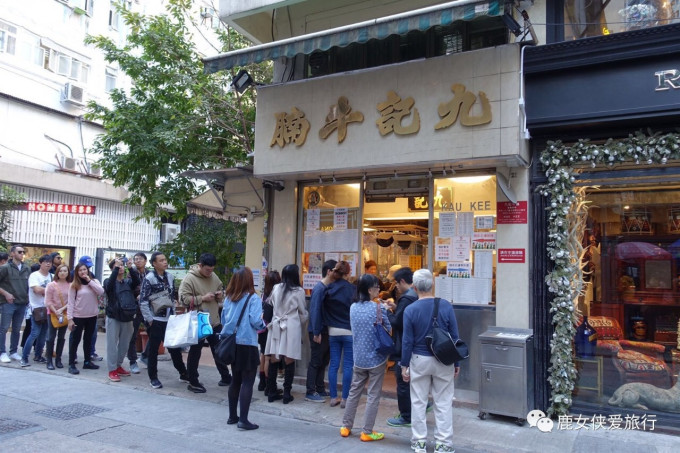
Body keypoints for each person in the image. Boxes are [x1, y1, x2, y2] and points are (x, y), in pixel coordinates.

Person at [401, 269, 461, 453]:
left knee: (418, 401)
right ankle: (443, 444)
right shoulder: (445, 306)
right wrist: (457, 363)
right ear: (432, 284)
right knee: (443, 402)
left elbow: (407, 341)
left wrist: (404, 365)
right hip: (443, 359)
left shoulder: (410, 310)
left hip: (419, 359)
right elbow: (455, 336)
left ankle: (419, 442)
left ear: (414, 287)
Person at [339, 273, 391, 442]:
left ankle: (346, 426)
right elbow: (389, 328)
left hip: (359, 358)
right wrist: (385, 309)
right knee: (373, 395)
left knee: (354, 392)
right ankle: (367, 432)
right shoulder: (378, 308)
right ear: (369, 290)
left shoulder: (353, 307)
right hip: (376, 358)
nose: (378, 289)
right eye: (376, 287)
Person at [178, 253, 232, 393]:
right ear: (200, 266)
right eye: (208, 270)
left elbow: (221, 290)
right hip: (199, 320)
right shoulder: (189, 279)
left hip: (214, 320)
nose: (210, 272)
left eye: (212, 269)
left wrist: (220, 295)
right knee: (195, 352)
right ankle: (193, 381)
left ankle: (225, 377)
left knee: (219, 349)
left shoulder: (214, 276)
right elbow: (183, 300)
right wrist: (202, 298)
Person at [220, 267, 265, 430]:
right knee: (247, 381)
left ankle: (232, 416)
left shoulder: (228, 298)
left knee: (236, 379)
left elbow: (224, 320)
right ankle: (244, 420)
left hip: (232, 343)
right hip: (247, 343)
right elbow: (256, 321)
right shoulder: (253, 298)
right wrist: (264, 325)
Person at [139, 252, 188, 389]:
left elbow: (172, 298)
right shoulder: (149, 278)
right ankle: (153, 378)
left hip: (169, 319)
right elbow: (143, 301)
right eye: (161, 260)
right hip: (155, 319)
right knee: (153, 351)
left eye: (165, 260)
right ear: (154, 264)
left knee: (174, 348)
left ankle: (183, 373)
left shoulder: (170, 277)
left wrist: (174, 314)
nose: (165, 262)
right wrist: (150, 320)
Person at [264, 264, 308, 404]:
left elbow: (270, 303)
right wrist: (301, 323)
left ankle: (271, 391)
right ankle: (287, 394)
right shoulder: (299, 291)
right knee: (289, 359)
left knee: (274, 358)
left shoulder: (276, 288)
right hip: (291, 327)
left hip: (276, 325)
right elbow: (302, 313)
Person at [384, 267, 421, 427]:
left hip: (403, 344)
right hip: (416, 345)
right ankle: (417, 410)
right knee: (413, 382)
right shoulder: (416, 295)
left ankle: (406, 416)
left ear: (403, 281)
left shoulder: (406, 298)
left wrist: (387, 312)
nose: (396, 287)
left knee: (403, 382)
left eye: (397, 283)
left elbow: (397, 322)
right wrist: (395, 308)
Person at [325, 260, 356, 408]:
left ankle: (333, 397)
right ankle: (345, 399)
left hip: (333, 331)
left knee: (334, 364)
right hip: (349, 330)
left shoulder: (329, 288)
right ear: (348, 273)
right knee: (348, 366)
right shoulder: (353, 289)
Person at [104, 257, 141, 382]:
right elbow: (109, 286)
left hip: (127, 317)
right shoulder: (108, 281)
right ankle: (112, 370)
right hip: (113, 317)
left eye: (121, 265)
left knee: (125, 344)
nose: (120, 267)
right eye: (117, 266)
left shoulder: (127, 282)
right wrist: (116, 269)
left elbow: (137, 281)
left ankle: (118, 365)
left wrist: (130, 267)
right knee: (112, 345)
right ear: (112, 269)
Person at [305, 259, 336, 402]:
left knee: (323, 361)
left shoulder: (326, 288)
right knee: (316, 361)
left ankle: (320, 388)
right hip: (318, 331)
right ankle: (310, 391)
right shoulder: (319, 288)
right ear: (329, 271)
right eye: (335, 271)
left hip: (324, 331)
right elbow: (315, 311)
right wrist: (316, 332)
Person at [67, 262, 105, 375]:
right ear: (77, 272)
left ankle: (87, 361)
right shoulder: (74, 285)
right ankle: (71, 364)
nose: (83, 272)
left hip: (92, 316)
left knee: (88, 340)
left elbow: (101, 292)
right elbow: (70, 303)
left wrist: (89, 281)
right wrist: (70, 319)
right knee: (75, 340)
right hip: (78, 316)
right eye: (80, 270)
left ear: (88, 270)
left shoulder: (94, 282)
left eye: (84, 269)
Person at [0, 244, 31, 363]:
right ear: (12, 253)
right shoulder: (5, 268)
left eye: (23, 252)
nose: (22, 254)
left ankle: (13, 352)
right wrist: (6, 294)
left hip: (22, 302)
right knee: (4, 328)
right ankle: (2, 352)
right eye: (19, 252)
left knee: (17, 329)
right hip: (8, 302)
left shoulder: (26, 268)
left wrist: (28, 298)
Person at [21, 254, 53, 366]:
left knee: (43, 334)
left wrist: (46, 290)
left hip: (48, 309)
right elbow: (37, 290)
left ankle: (38, 355)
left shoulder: (52, 276)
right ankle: (24, 358)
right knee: (34, 333)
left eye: (50, 262)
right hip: (36, 309)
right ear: (40, 263)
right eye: (45, 262)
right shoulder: (34, 275)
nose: (48, 264)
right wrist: (50, 290)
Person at [258, 270, 281, 395]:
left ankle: (262, 382)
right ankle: (269, 385)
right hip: (270, 329)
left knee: (263, 354)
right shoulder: (275, 296)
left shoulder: (264, 295)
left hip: (262, 329)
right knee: (268, 358)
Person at [127, 252, 150, 373]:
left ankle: (145, 356)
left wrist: (145, 294)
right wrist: (140, 294)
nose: (138, 261)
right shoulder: (131, 273)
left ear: (145, 261)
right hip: (135, 308)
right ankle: (132, 361)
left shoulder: (150, 273)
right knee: (133, 335)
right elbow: (131, 287)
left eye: (140, 259)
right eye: (136, 259)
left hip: (148, 308)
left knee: (155, 332)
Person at [44, 264, 70, 370]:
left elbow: (72, 301)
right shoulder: (51, 285)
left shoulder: (71, 285)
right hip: (52, 313)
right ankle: (49, 360)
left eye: (65, 271)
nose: (63, 273)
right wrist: (55, 311)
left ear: (68, 272)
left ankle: (58, 359)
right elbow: (48, 301)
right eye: (60, 271)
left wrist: (62, 310)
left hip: (65, 313)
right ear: (57, 273)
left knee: (61, 337)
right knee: (51, 337)